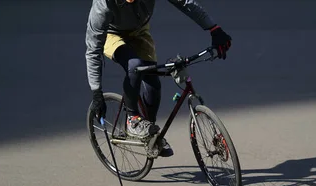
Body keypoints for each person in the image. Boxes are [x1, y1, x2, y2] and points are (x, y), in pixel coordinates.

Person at [85, 0, 232, 157]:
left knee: (153, 83)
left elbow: (185, 3)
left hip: (139, 31)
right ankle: (132, 120)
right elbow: (93, 50)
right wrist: (96, 91)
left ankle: (151, 135)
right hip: (110, 34)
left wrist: (213, 28)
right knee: (135, 65)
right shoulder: (103, 5)